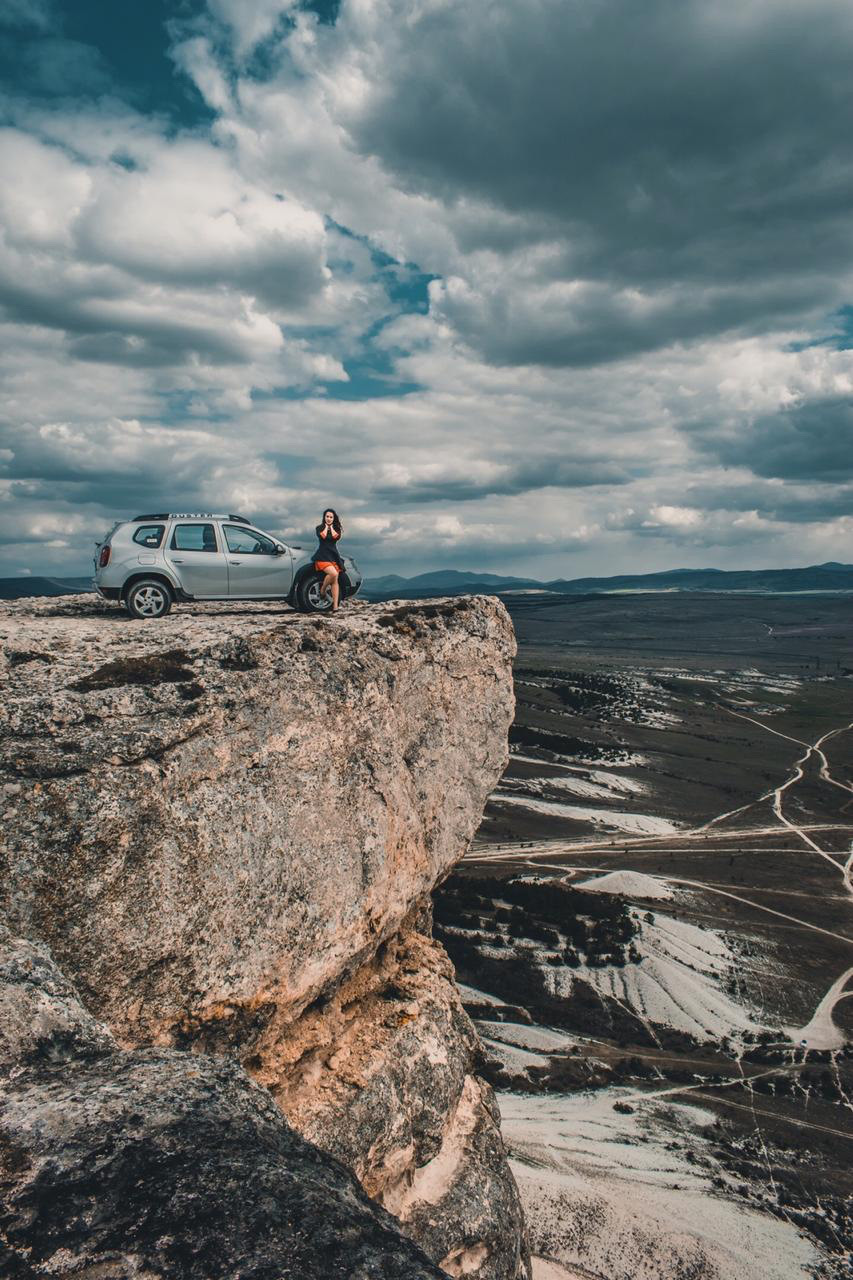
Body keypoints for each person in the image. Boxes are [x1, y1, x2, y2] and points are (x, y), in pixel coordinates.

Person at [314, 507, 344, 611]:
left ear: (333, 518)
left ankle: (335, 606)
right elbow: (323, 536)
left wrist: (331, 527)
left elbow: (336, 537)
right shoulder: (319, 528)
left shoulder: (337, 529)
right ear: (324, 517)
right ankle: (322, 590)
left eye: (331, 517)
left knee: (335, 580)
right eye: (327, 516)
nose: (329, 518)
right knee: (334, 574)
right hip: (322, 555)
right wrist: (326, 527)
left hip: (333, 555)